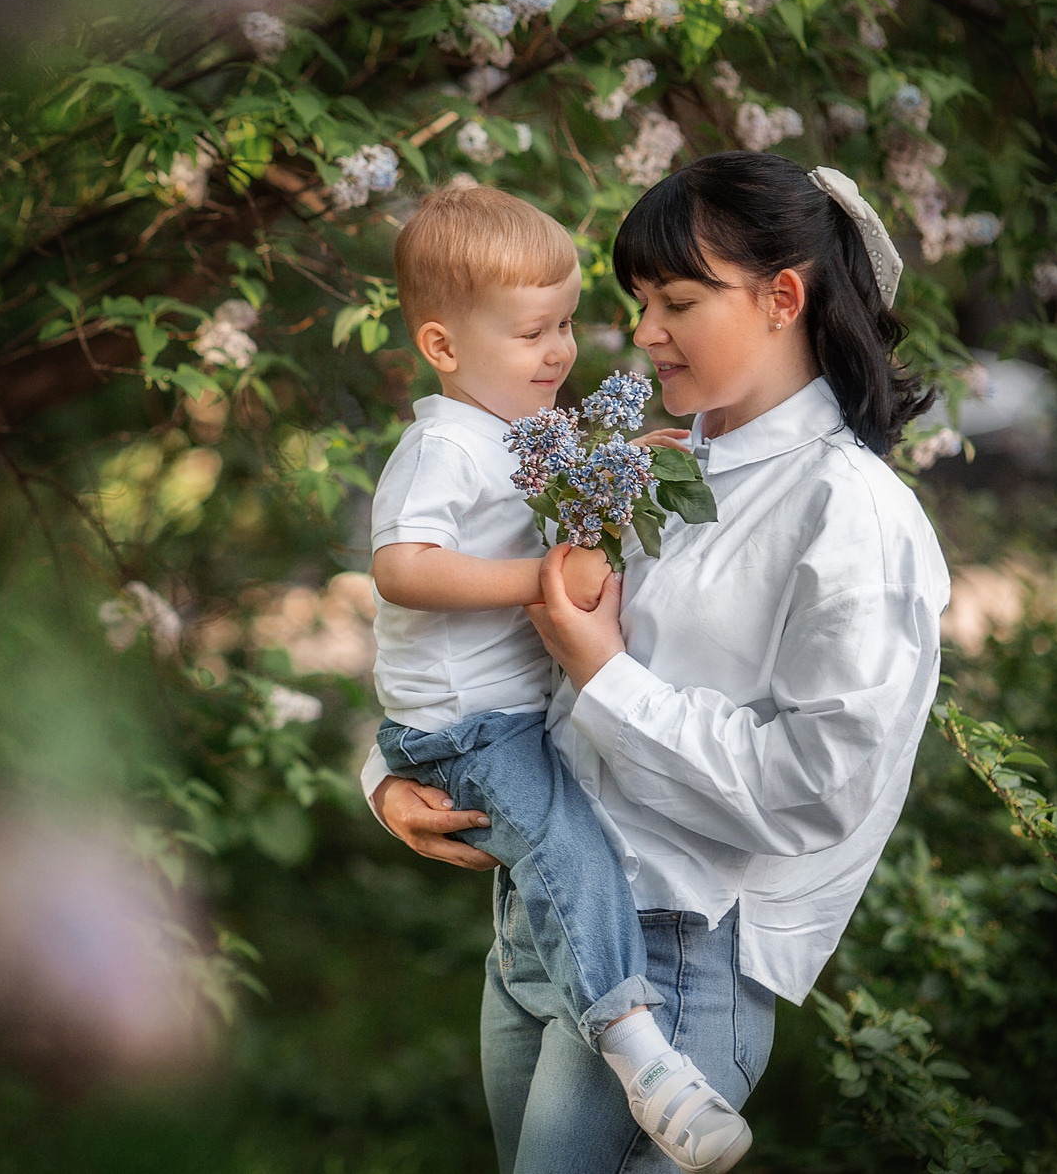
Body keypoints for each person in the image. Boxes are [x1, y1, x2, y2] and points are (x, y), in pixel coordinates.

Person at [371, 152, 951, 1173]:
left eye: (676, 299)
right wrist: (390, 777)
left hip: (677, 950)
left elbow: (820, 791)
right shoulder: (652, 464)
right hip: (543, 928)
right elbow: (478, 644)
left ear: (782, 297)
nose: (641, 333)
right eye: (641, 300)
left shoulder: (849, 514)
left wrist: (607, 676)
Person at [364, 182, 754, 1173]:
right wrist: (532, 581)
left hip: (493, 726)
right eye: (533, 332)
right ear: (444, 348)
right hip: (468, 731)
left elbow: (578, 498)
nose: (561, 351)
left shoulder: (516, 435)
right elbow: (400, 568)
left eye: (567, 324)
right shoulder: (442, 443)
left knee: (559, 847)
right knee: (567, 845)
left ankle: (631, 1036)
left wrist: (631, 456)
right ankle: (639, 1050)